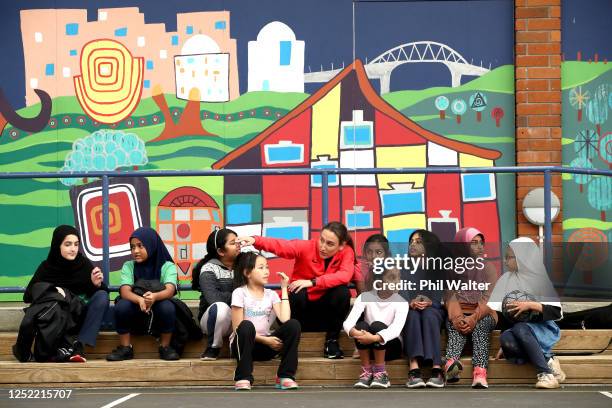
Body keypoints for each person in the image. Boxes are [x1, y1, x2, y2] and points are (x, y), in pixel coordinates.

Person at [237, 221, 354, 359]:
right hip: (300, 316)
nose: (322, 246)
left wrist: (312, 282)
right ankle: (290, 340)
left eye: (330, 244)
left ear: (341, 245)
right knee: (295, 291)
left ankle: (331, 342)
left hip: (325, 316)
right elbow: (282, 246)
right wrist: (255, 240)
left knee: (342, 292)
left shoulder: (347, 252)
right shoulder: (307, 247)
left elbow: (345, 275)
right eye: (321, 240)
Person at [15, 225, 109, 362]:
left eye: (76, 244)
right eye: (68, 244)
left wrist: (96, 284)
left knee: (102, 296)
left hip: (78, 317)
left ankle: (79, 344)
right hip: (57, 321)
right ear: (57, 245)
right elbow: (28, 295)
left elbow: (101, 296)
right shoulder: (46, 267)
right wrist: (53, 289)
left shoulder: (83, 264)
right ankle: (62, 347)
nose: (73, 249)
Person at [488, 237, 566, 389]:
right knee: (507, 338)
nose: (505, 261)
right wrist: (506, 345)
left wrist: (531, 305)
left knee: (520, 328)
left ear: (522, 257)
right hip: (519, 331)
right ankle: (549, 360)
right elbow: (504, 315)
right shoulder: (505, 279)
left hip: (542, 329)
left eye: (509, 257)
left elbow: (555, 312)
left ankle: (546, 375)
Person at [106, 227, 180, 361]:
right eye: (132, 247)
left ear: (151, 245)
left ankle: (165, 346)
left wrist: (155, 297)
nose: (135, 251)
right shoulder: (129, 266)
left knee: (167, 307)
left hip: (157, 304)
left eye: (140, 246)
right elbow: (124, 291)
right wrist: (140, 300)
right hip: (136, 306)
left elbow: (169, 290)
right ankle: (125, 347)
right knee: (122, 306)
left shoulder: (167, 266)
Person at [231, 251, 301, 391]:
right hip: (244, 345)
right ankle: (243, 377)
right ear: (247, 272)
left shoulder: (271, 294)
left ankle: (285, 376)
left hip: (266, 347)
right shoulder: (239, 293)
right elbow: (237, 328)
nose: (266, 271)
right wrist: (266, 340)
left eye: (267, 267)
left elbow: (285, 318)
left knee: (293, 325)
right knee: (246, 325)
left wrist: (283, 288)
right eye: (261, 268)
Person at [444, 227, 497, 388]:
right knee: (456, 327)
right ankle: (451, 365)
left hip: (484, 313)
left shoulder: (488, 268)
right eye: (474, 243)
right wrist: (459, 318)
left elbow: (489, 298)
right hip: (458, 311)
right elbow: (448, 294)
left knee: (481, 327)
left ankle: (480, 372)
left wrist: (473, 318)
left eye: (481, 243)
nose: (480, 247)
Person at [343, 267, 408, 389]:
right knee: (361, 326)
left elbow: (395, 329)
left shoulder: (402, 302)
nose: (396, 282)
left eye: (398, 278)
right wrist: (355, 333)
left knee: (377, 325)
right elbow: (348, 323)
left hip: (391, 348)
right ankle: (366, 373)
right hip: (368, 346)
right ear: (380, 280)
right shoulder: (365, 297)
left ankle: (381, 373)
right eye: (391, 277)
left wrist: (373, 338)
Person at [402, 230, 446, 388]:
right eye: (411, 241)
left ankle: (436, 369)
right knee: (412, 315)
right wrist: (410, 302)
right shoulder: (403, 267)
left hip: (434, 309)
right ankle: (414, 369)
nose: (413, 244)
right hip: (411, 309)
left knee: (429, 314)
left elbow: (441, 297)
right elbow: (401, 292)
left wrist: (430, 302)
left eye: (418, 241)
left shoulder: (437, 267)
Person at [192, 228, 240, 360]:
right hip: (213, 321)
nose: (238, 245)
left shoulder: (244, 265)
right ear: (220, 251)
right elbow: (214, 298)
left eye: (238, 241)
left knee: (269, 298)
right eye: (232, 243)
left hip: (238, 318)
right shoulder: (209, 268)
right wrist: (240, 296)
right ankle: (213, 347)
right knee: (220, 307)